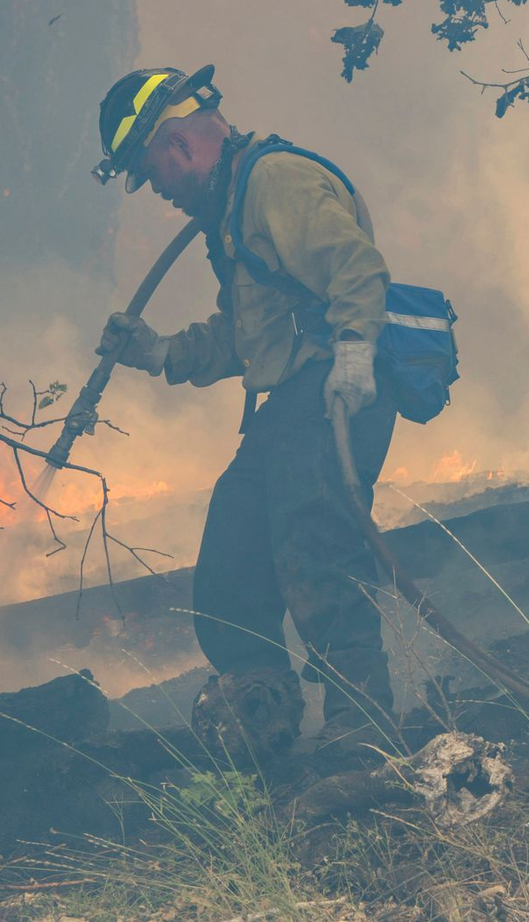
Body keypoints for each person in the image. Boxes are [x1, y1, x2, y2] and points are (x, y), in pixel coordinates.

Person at [92, 64, 397, 754]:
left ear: (177, 146)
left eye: (152, 172)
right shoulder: (231, 208)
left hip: (329, 393)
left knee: (318, 548)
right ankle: (261, 716)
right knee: (233, 553)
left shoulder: (274, 182)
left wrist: (354, 358)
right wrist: (161, 351)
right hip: (288, 403)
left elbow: (356, 270)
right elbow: (244, 332)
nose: (160, 192)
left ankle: (365, 730)